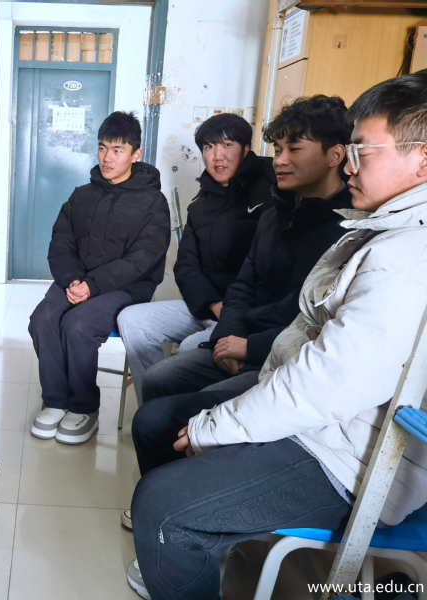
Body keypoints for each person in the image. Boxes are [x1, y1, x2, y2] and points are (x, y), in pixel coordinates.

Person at [126, 71, 427, 600]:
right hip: (305, 402)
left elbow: (327, 379)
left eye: (362, 150)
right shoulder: (368, 228)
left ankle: (185, 534)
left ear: (422, 158)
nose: (349, 164)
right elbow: (241, 287)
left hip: (343, 450)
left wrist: (218, 422)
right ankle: (199, 537)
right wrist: (226, 327)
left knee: (162, 503)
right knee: (156, 417)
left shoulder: (405, 256)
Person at [140, 95, 354, 402]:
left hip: (283, 351)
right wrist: (226, 328)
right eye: (277, 150)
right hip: (234, 323)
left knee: (193, 404)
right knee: (158, 378)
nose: (280, 160)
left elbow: (312, 318)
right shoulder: (271, 215)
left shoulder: (348, 228)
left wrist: (248, 345)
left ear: (335, 155)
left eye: (294, 149)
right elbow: (236, 282)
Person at [28, 111, 171, 445]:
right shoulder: (82, 195)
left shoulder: (153, 202)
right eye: (103, 147)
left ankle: (84, 407)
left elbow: (142, 259)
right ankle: (56, 400)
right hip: (77, 280)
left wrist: (92, 286)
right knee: (42, 319)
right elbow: (61, 243)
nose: (107, 157)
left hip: (127, 287)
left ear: (135, 154)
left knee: (78, 325)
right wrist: (73, 280)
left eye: (117, 150)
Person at [118, 113, 275, 406]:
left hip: (248, 313)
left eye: (227, 145)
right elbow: (186, 265)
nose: (217, 156)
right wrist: (212, 303)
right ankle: (152, 408)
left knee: (190, 348)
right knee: (132, 319)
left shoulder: (273, 187)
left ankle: (181, 418)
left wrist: (231, 310)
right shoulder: (201, 204)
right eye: (209, 147)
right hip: (207, 306)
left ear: (245, 148)